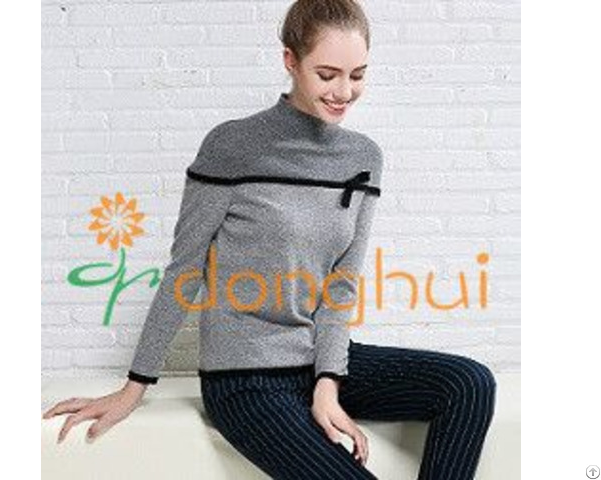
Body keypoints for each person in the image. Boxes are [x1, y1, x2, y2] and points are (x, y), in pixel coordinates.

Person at [42, 1, 497, 478]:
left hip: (318, 362)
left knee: (469, 384)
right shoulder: (232, 146)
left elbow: (340, 286)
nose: (344, 92)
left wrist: (327, 383)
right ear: (290, 61)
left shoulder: (363, 158)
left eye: (357, 75)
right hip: (244, 381)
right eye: (327, 75)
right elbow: (185, 270)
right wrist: (134, 387)